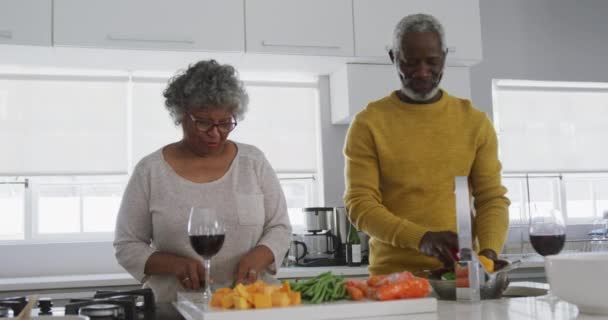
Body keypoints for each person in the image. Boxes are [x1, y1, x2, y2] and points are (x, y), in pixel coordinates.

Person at [343, 13, 510, 276]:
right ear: (393, 57)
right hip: (393, 278)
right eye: (411, 62)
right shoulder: (368, 124)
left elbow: (491, 199)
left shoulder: (474, 122)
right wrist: (422, 238)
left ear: (444, 57)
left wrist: (488, 254)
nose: (422, 72)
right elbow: (360, 205)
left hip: (462, 276)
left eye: (432, 62)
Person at [114, 60, 292, 302]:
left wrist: (260, 255)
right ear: (180, 115)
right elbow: (127, 245)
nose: (216, 133)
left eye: (225, 122)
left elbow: (279, 227)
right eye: (204, 123)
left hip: (251, 306)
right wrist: (174, 264)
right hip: (178, 309)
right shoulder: (151, 171)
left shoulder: (253, 162)